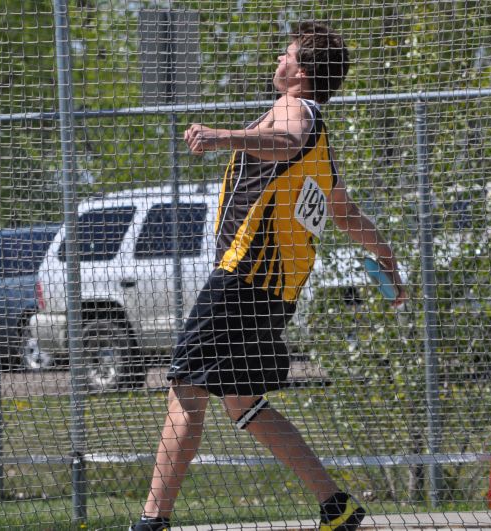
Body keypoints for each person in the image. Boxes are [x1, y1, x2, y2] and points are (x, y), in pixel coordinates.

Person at [130, 21, 406, 531]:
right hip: (275, 292)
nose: (277, 61)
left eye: (286, 54)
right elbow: (344, 214)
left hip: (244, 278)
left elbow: (285, 140)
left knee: (185, 393)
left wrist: (221, 136)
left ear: (300, 72)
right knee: (242, 403)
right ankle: (335, 506)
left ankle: (152, 521)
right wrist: (385, 256)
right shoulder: (323, 144)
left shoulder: (295, 112)